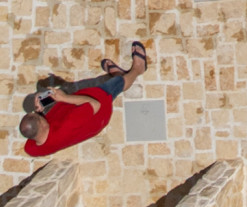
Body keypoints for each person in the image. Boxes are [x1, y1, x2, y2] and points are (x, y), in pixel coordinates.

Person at [18, 41, 150, 158]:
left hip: (72, 111)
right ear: (42, 125)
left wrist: (40, 112)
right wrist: (64, 97)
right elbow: (94, 104)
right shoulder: (67, 126)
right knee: (116, 86)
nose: (39, 113)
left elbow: (32, 141)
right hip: (98, 110)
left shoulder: (31, 148)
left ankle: (118, 74)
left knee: (114, 82)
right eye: (39, 117)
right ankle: (137, 69)